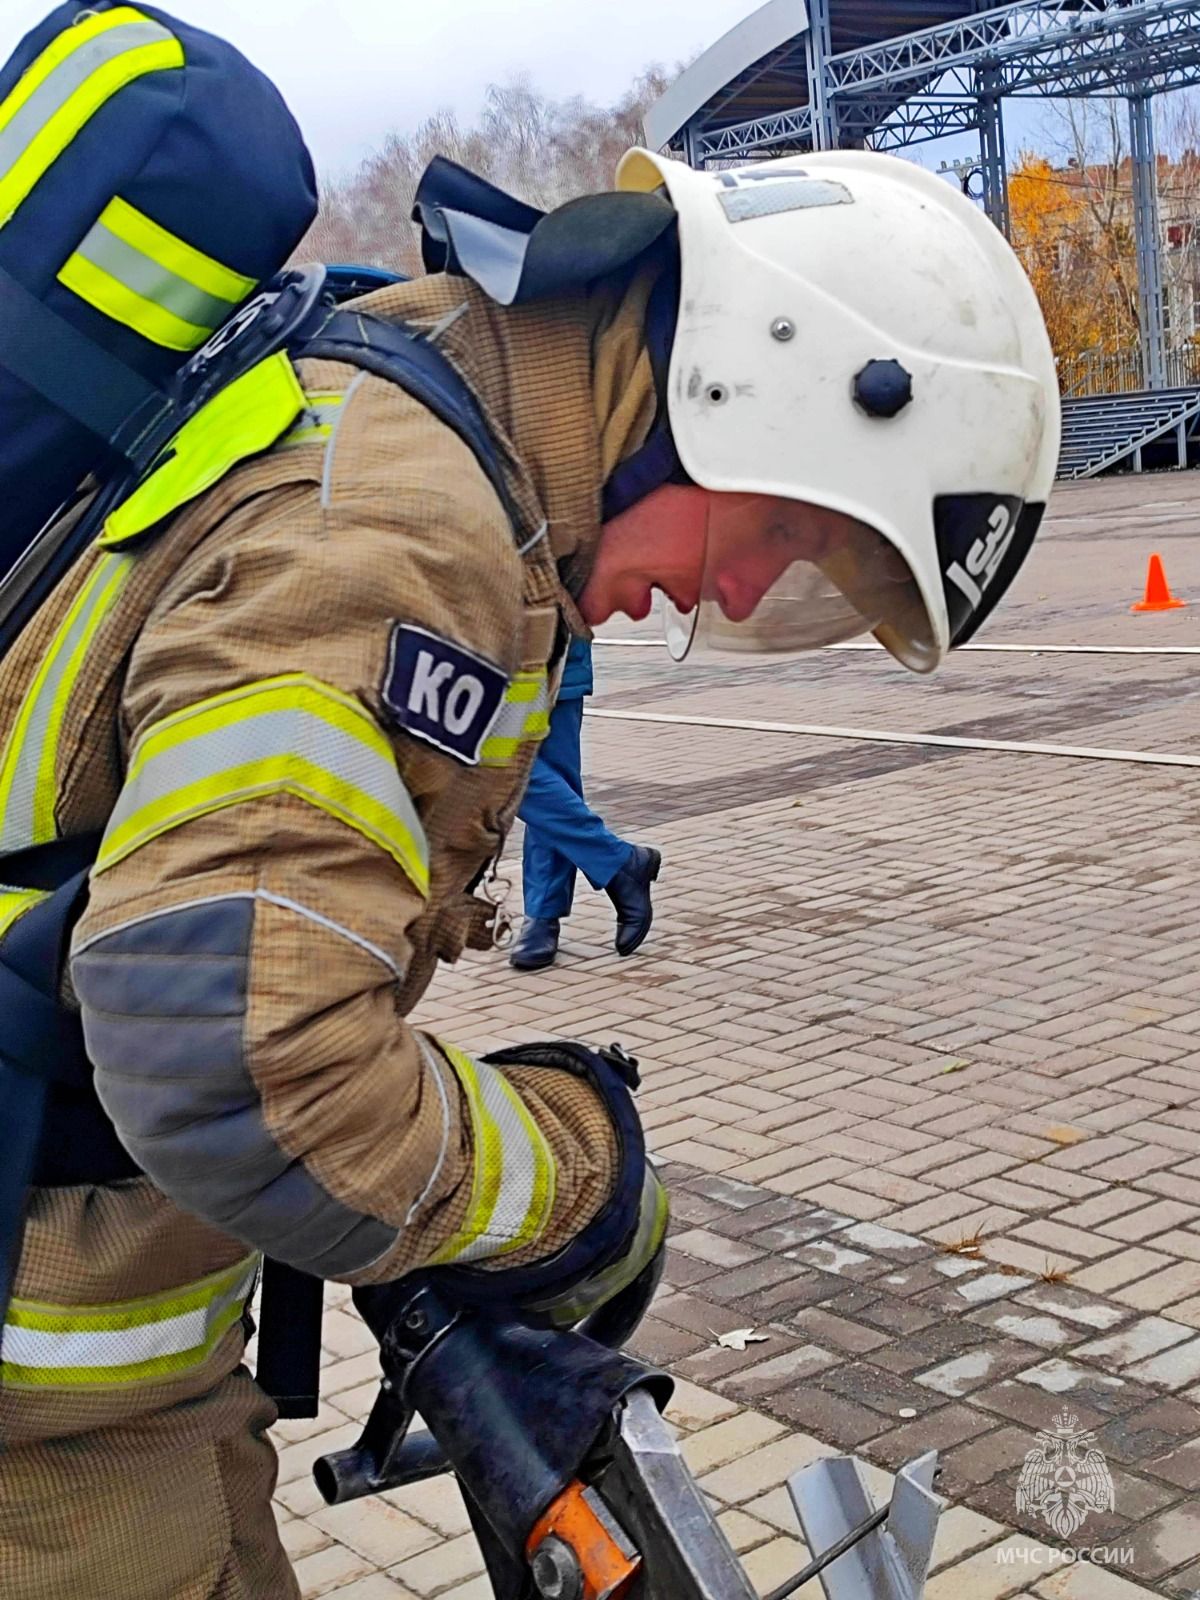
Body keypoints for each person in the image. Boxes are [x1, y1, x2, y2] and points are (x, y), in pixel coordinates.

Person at [0, 12, 1060, 1589]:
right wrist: (570, 1174)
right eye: (791, 534)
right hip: (50, 1443)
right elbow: (235, 1062)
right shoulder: (401, 530)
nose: (744, 583)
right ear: (737, 387)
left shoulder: (416, 425)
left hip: (117, 1376)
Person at [511, 634, 659, 970]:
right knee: (518, 774)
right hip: (491, 648)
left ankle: (543, 913)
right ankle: (619, 862)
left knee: (530, 774)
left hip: (551, 645)